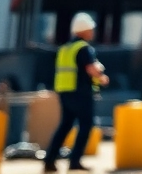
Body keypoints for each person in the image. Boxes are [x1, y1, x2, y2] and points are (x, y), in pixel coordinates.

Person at [46, 12, 109, 172]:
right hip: (81, 92)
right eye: (91, 29)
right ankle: (75, 161)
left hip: (64, 92)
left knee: (65, 125)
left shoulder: (65, 48)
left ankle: (50, 160)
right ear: (85, 30)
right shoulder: (84, 48)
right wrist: (102, 77)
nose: (92, 32)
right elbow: (91, 68)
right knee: (86, 125)